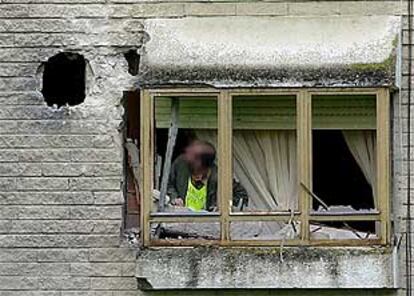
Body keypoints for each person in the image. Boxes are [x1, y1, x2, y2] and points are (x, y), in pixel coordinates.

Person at [167, 140, 248, 211]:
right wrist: (174, 198)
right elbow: (168, 185)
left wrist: (224, 207)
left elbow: (241, 194)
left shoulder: (219, 176)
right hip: (182, 220)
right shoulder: (180, 165)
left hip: (208, 223)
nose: (196, 175)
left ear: (208, 167)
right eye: (193, 170)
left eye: (199, 170)